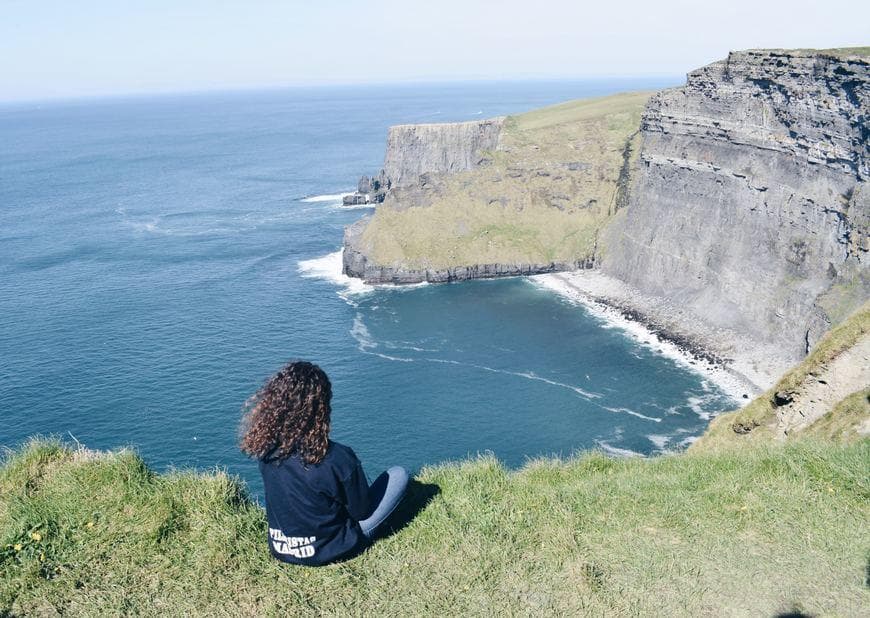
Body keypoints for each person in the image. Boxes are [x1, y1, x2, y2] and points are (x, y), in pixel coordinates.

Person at [239, 360, 408, 566]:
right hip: (334, 549)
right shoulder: (337, 457)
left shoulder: (267, 452)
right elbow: (361, 513)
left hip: (282, 548)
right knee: (398, 474)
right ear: (322, 408)